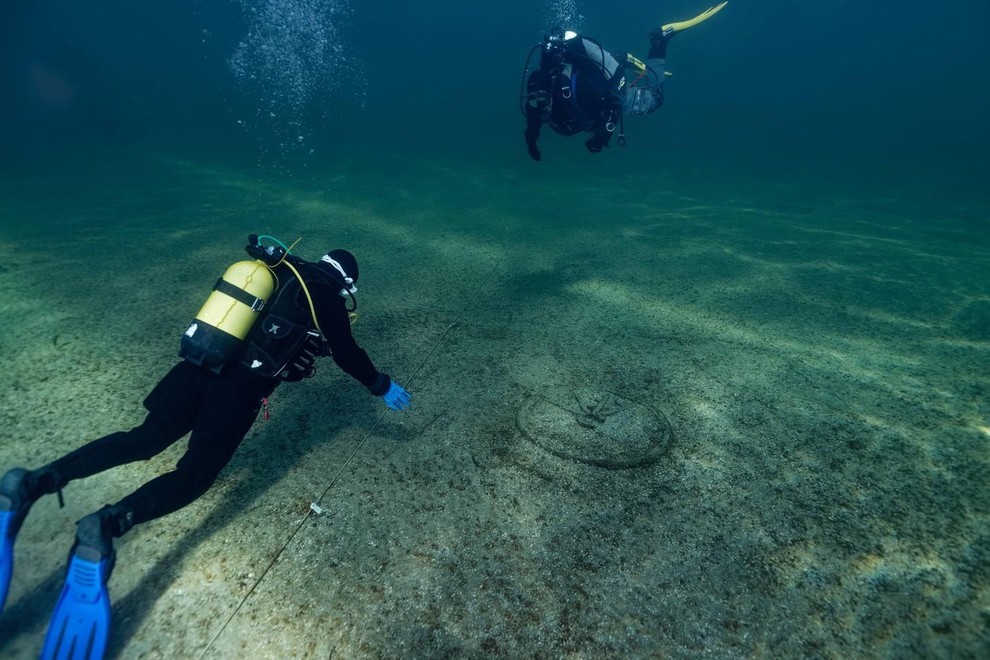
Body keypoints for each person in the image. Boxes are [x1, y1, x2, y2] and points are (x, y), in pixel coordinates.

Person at [0, 234, 410, 657]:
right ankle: (109, 522)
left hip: (194, 368)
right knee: (194, 476)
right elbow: (346, 353)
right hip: (235, 393)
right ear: (346, 286)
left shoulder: (281, 268)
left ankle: (36, 481)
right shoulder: (325, 296)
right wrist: (380, 385)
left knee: (141, 440)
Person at [524, 1, 728, 161]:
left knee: (656, 98)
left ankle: (660, 41)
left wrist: (602, 136)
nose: (539, 107)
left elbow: (614, 103)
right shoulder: (537, 104)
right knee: (603, 71)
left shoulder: (582, 92)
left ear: (552, 91)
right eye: (535, 101)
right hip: (595, 84)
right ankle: (620, 57)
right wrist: (531, 143)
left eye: (541, 100)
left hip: (610, 86)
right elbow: (533, 124)